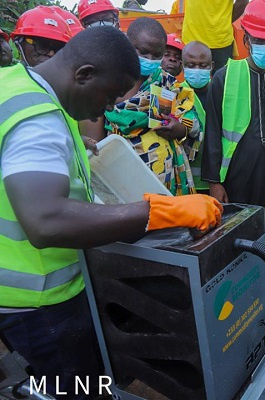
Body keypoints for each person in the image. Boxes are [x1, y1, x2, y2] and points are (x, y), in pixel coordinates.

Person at [0, 26, 222, 400]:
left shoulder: (16, 84)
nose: (108, 107)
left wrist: (74, 145)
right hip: (40, 305)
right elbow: (46, 221)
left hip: (17, 299)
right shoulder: (39, 120)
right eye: (109, 95)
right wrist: (160, 210)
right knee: (75, 390)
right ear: (83, 74)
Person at [201, 0, 265, 315]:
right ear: (247, 39)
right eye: (261, 40)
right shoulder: (224, 77)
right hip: (238, 175)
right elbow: (213, 132)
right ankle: (242, 296)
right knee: (241, 236)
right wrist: (214, 182)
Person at [82, 17, 199, 196]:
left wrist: (179, 129)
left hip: (165, 176)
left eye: (157, 55)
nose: (150, 60)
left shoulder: (166, 82)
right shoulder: (103, 83)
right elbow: (96, 147)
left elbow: (189, 120)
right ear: (127, 44)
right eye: (143, 53)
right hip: (121, 174)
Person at [182, 40, 214, 192]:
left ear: (211, 66)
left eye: (202, 66)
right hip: (187, 182)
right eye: (191, 65)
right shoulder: (175, 94)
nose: (197, 70)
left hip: (219, 182)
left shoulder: (223, 92)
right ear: (183, 66)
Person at [182, 0, 249, 72]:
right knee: (192, 80)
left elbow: (243, 2)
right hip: (192, 38)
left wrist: (225, 21)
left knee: (222, 81)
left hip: (220, 42)